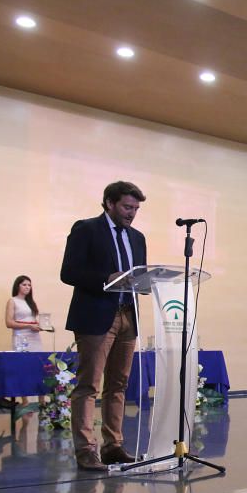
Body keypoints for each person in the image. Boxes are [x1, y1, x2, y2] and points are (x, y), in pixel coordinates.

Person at [60, 181, 147, 471]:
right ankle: (86, 450)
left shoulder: (137, 237)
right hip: (96, 315)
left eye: (135, 208)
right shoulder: (86, 229)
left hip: (128, 315)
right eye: (126, 207)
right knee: (89, 385)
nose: (131, 213)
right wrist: (106, 278)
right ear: (109, 203)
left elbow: (138, 274)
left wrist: (145, 283)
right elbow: (69, 272)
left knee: (119, 385)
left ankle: (113, 446)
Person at [6, 275, 44, 351]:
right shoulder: (12, 301)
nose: (27, 287)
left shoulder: (31, 302)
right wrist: (29, 326)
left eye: (29, 285)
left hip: (35, 337)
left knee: (37, 360)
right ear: (17, 286)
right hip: (21, 338)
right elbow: (9, 323)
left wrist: (42, 326)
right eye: (24, 285)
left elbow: (32, 319)